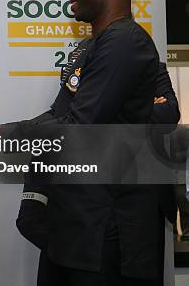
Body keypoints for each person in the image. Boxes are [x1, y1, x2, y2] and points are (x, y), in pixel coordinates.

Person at [0, 0, 163, 284]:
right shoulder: (96, 45)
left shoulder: (124, 43)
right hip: (79, 223)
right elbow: (59, 113)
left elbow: (78, 129)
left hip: (107, 226)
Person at [16, 61, 180, 285]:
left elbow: (169, 113)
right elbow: (29, 220)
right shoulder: (54, 139)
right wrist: (71, 252)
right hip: (80, 255)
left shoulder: (150, 68)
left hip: (138, 242)